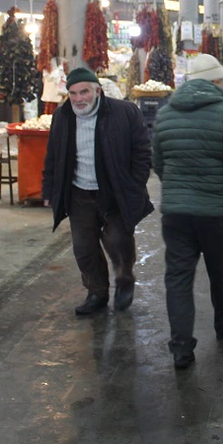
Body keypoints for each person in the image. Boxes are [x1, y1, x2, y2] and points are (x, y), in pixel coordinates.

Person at [152, 52, 223, 369]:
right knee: (221, 271)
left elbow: (158, 163)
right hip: (218, 214)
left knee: (178, 279)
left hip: (176, 214)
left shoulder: (166, 114)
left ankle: (181, 347)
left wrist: (176, 189)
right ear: (215, 81)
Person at [42, 67, 154, 317]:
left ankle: (124, 279)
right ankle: (97, 292)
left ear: (98, 91)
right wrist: (49, 188)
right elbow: (53, 156)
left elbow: (142, 152)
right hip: (79, 193)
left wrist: (135, 185)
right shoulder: (62, 116)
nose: (79, 98)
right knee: (83, 247)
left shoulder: (124, 113)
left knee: (117, 240)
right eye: (73, 93)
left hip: (115, 192)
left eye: (84, 92)